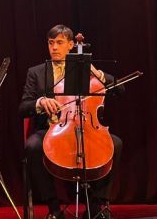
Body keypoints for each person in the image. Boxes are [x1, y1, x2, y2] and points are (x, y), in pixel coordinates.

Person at [19, 25, 123, 219]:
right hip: (51, 129)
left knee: (115, 144)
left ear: (71, 45)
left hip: (85, 127)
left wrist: (97, 73)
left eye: (59, 43)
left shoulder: (83, 69)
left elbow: (119, 88)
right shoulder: (36, 72)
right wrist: (41, 102)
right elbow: (23, 107)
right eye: (51, 43)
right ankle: (54, 208)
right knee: (33, 146)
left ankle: (96, 206)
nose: (54, 48)